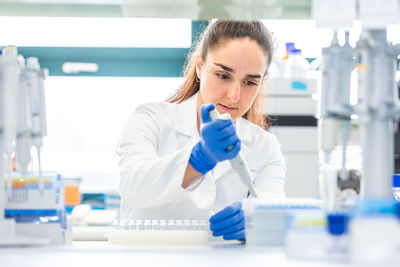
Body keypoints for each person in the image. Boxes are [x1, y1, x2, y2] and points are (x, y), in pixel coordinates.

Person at [117, 20, 286, 241]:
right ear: (200, 67)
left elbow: (274, 212)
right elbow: (133, 187)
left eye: (249, 83)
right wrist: (199, 159)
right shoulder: (150, 120)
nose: (234, 95)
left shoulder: (265, 147)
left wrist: (258, 221)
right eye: (223, 76)